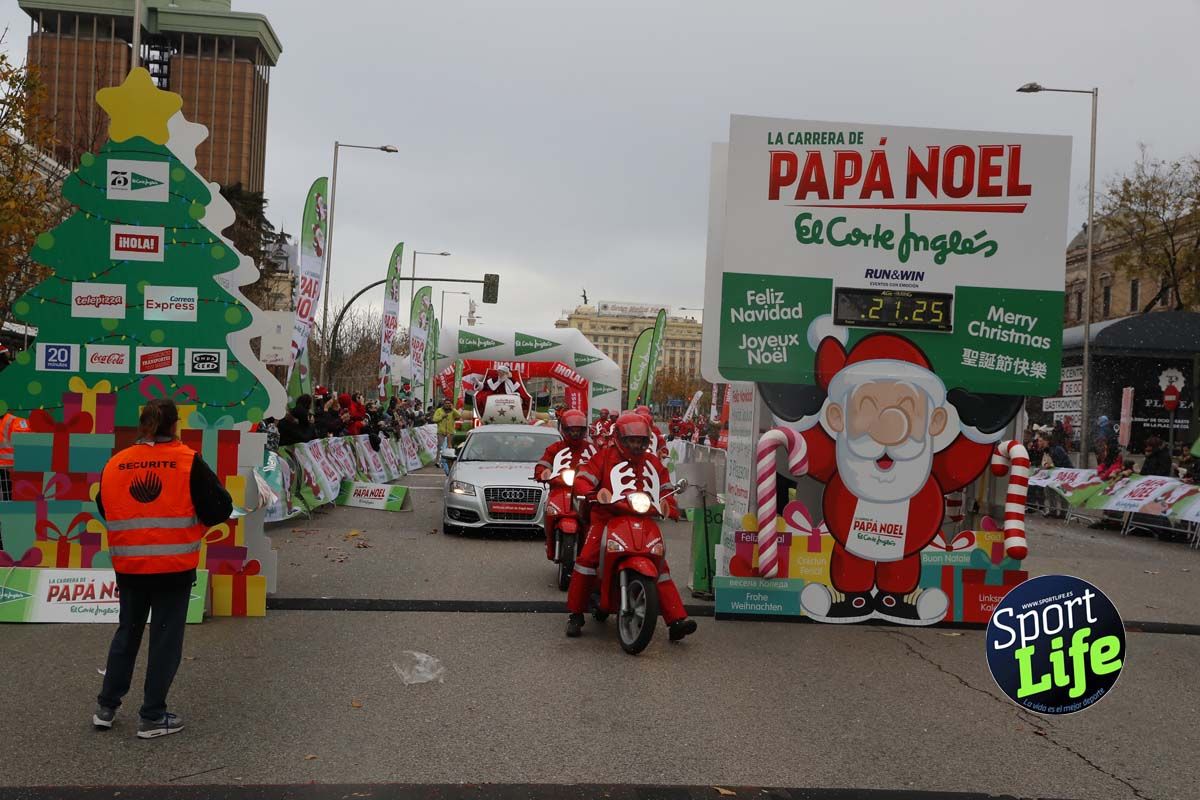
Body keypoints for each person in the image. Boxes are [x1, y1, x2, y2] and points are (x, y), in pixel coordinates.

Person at [93, 398, 232, 738]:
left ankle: (106, 707)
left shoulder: (116, 463)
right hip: (173, 566)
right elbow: (221, 507)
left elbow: (105, 506)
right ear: (175, 424)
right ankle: (152, 716)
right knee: (165, 639)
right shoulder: (187, 461)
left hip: (129, 565)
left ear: (143, 425)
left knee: (128, 632)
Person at [564, 412, 697, 641]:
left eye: (640, 441)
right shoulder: (603, 457)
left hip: (643, 518)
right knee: (587, 559)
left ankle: (676, 619)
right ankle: (575, 614)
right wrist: (593, 493)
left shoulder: (653, 462)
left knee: (660, 565)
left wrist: (670, 505)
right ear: (619, 439)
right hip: (606, 517)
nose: (636, 445)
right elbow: (584, 478)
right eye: (631, 440)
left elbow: (665, 488)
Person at [534, 409, 597, 560]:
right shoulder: (555, 448)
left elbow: (602, 467)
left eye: (578, 431)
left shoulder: (592, 449)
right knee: (550, 513)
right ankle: (550, 543)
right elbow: (543, 464)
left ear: (584, 431)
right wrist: (543, 473)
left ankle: (590, 550)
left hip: (585, 492)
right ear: (564, 429)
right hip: (559, 489)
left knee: (594, 520)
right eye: (571, 430)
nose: (575, 434)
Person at [0, 407, 30, 503]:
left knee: (7, 493)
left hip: (7, 465)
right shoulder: (14, 421)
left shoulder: (12, 421)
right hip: (9, 465)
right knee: (9, 493)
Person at [432, 397, 462, 474]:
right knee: (440, 447)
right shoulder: (439, 410)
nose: (447, 405)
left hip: (450, 433)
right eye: (446, 403)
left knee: (449, 448)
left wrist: (453, 409)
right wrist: (442, 416)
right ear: (444, 404)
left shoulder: (453, 411)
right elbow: (434, 419)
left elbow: (459, 416)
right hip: (441, 432)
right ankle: (438, 462)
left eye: (449, 403)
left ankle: (449, 461)